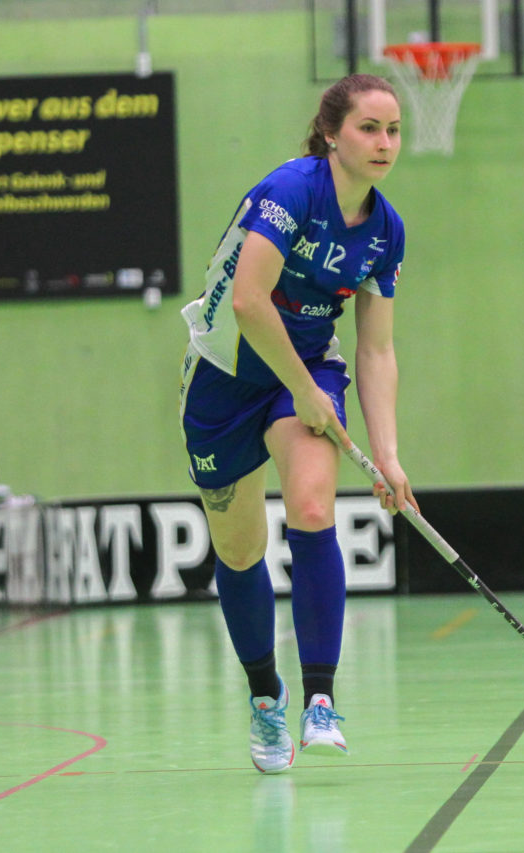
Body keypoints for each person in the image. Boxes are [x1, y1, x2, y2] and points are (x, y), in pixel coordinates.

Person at [178, 74, 418, 774]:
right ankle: (264, 696)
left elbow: (375, 348)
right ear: (333, 133)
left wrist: (390, 453)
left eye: (394, 130)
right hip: (224, 375)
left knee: (313, 505)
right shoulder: (292, 192)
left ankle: (320, 699)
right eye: (370, 128)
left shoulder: (387, 230)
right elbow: (250, 301)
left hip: (310, 368)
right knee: (240, 549)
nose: (384, 143)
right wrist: (305, 389)